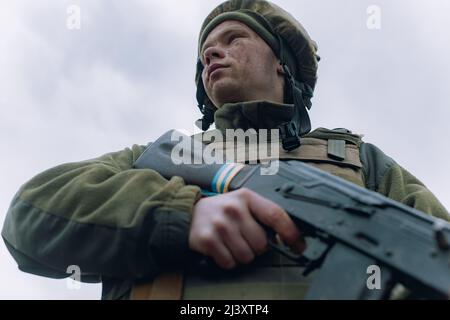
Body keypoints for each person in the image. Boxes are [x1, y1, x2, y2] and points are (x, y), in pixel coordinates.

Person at [2, 0, 449, 300]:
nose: (213, 55)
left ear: (282, 62)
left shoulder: (359, 160)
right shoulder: (160, 157)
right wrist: (178, 215)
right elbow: (29, 215)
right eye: (205, 53)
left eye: (234, 38)